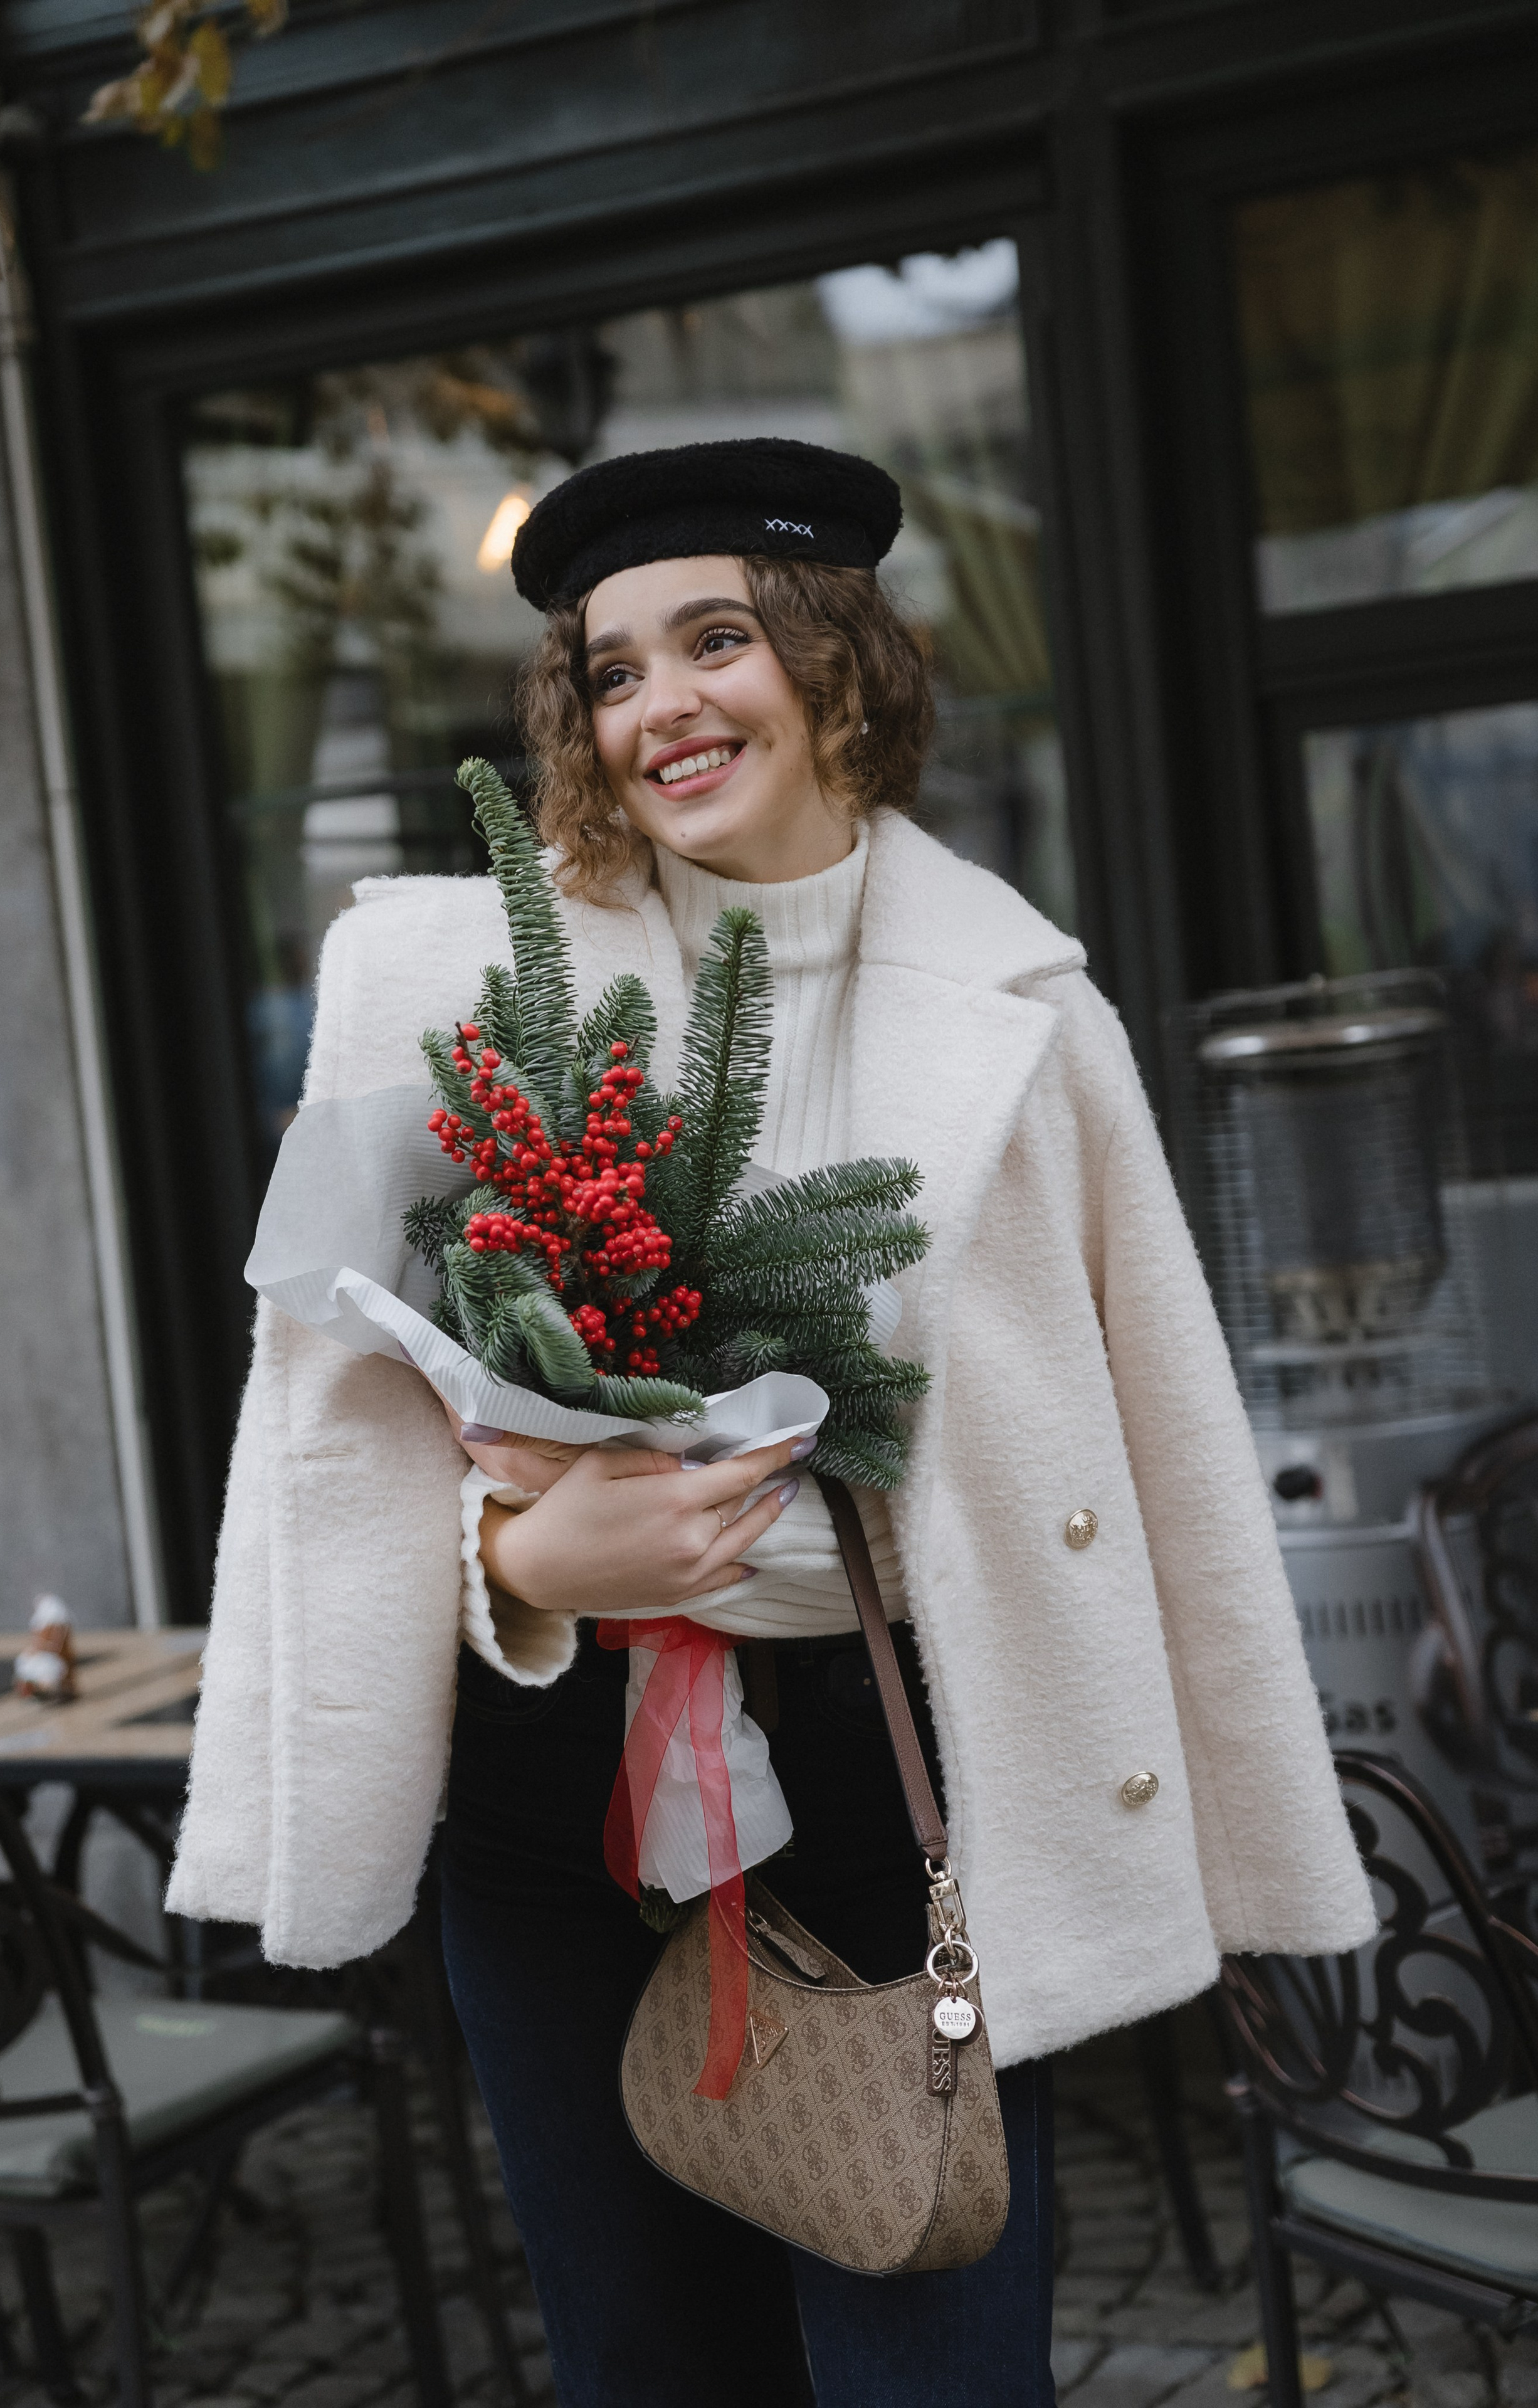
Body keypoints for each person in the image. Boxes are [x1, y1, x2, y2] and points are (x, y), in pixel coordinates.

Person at [171, 437, 1375, 2408]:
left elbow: (1164, 1444)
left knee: (938, 2346)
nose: (661, 707)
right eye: (612, 669)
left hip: (896, 1762)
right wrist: (520, 1563)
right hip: (551, 1794)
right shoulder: (442, 980)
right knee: (650, 2364)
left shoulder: (1026, 1010)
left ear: (833, 659)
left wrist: (1246, 1833)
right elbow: (332, 1443)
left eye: (713, 638)